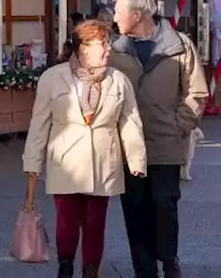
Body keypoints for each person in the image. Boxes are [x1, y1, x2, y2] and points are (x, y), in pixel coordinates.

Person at [23, 19, 146, 278]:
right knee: (66, 222)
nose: (107, 49)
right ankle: (65, 267)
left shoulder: (118, 81)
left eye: (108, 43)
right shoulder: (52, 79)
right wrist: (32, 164)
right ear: (83, 47)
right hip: (66, 162)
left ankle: (91, 271)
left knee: (95, 223)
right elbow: (38, 126)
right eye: (101, 44)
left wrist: (136, 161)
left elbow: (130, 123)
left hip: (104, 163)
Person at [109, 0, 207, 278]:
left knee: (165, 204)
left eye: (118, 12)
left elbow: (197, 93)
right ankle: (144, 269)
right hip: (128, 148)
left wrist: (179, 125)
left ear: (136, 15)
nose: (114, 18)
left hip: (166, 144)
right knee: (134, 210)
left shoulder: (179, 46)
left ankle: (168, 259)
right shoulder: (114, 51)